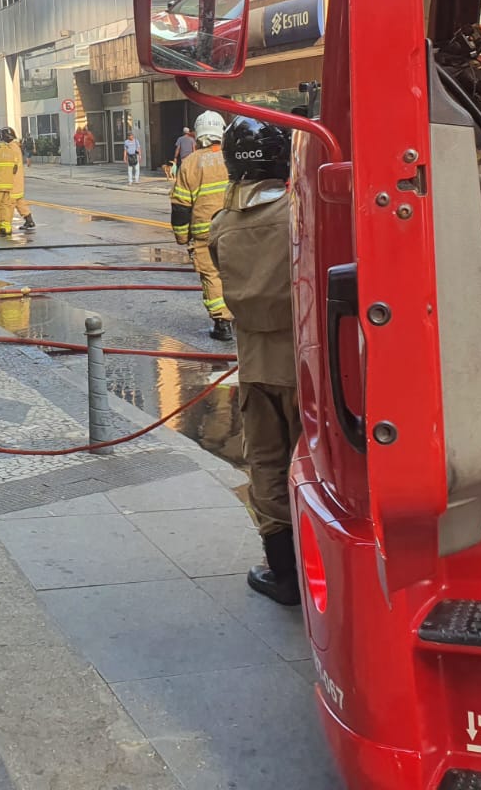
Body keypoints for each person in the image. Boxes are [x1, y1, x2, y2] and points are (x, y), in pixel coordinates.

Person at [209, 116, 298, 605]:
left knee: (266, 464)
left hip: (257, 368)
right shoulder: (301, 211)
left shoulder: (224, 225)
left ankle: (282, 572)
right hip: (309, 368)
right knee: (316, 466)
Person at [172, 110, 234, 341]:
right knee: (240, 272)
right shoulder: (232, 156)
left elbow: (181, 206)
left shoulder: (190, 163)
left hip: (205, 234)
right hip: (237, 229)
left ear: (199, 135)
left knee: (212, 276)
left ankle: (222, 324)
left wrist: (181, 237)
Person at [2, 126, 36, 231]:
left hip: (13, 181)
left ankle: (5, 225)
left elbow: (12, 165)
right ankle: (29, 220)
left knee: (9, 204)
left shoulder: (12, 148)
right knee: (19, 202)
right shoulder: (14, 146)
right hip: (17, 181)